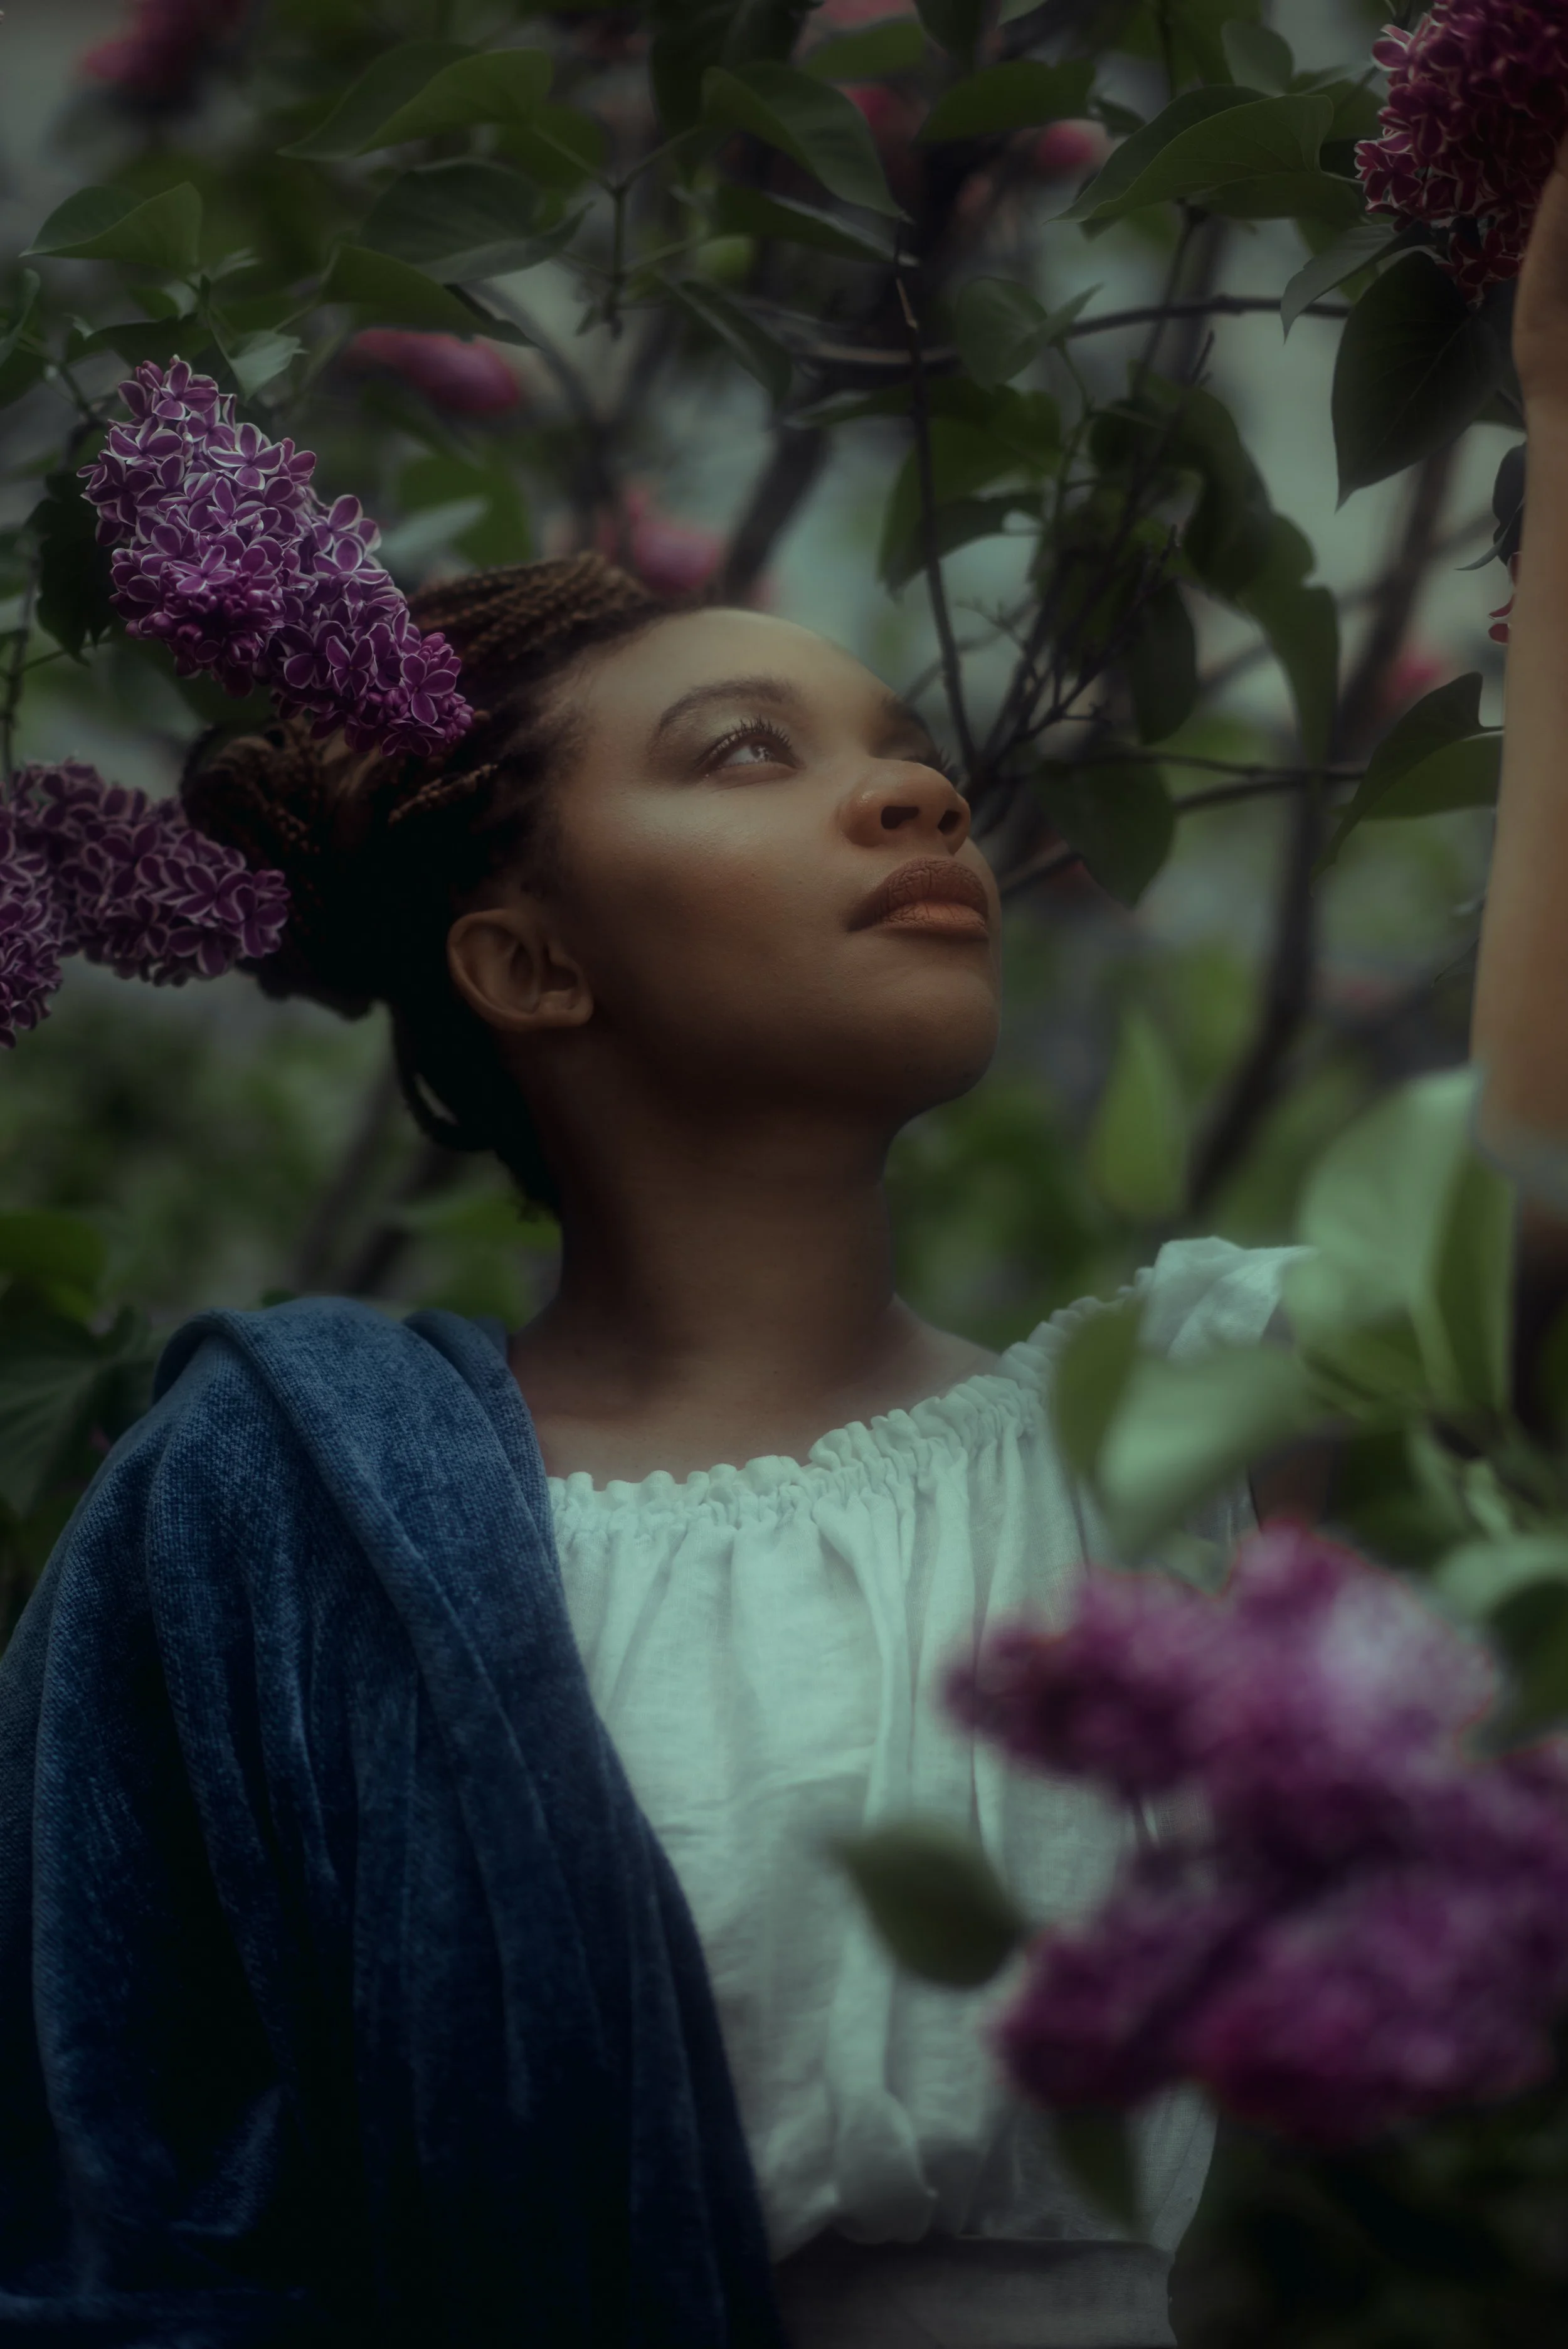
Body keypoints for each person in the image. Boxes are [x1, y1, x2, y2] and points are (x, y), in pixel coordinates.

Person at [6, 131, 1568, 2349]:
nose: (919, 793)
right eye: (746, 753)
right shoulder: (281, 1512)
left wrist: (1562, 400)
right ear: (531, 967)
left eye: (906, 748)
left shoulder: (1140, 1449)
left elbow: (1538, 1180)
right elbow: (103, 2187)